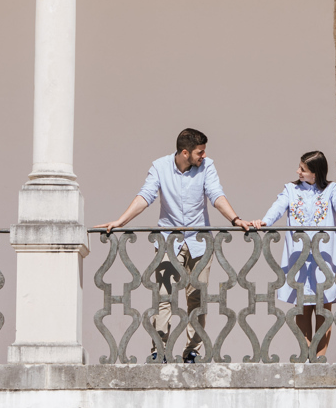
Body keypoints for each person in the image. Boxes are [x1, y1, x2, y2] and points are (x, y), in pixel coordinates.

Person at [97, 128, 251, 363]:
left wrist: (236, 220)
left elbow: (216, 195)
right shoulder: (160, 166)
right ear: (185, 152)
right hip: (169, 242)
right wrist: (120, 221)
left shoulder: (207, 167)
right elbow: (145, 196)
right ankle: (160, 350)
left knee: (196, 299)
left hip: (200, 243)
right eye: (200, 152)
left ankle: (192, 350)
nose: (204, 156)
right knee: (163, 297)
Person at [250, 150, 336, 360]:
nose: (298, 171)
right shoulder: (291, 189)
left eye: (303, 169)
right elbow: (277, 208)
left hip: (324, 257)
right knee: (302, 307)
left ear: (316, 172)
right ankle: (307, 353)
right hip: (299, 258)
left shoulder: (331, 190)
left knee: (324, 307)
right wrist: (265, 221)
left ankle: (319, 358)